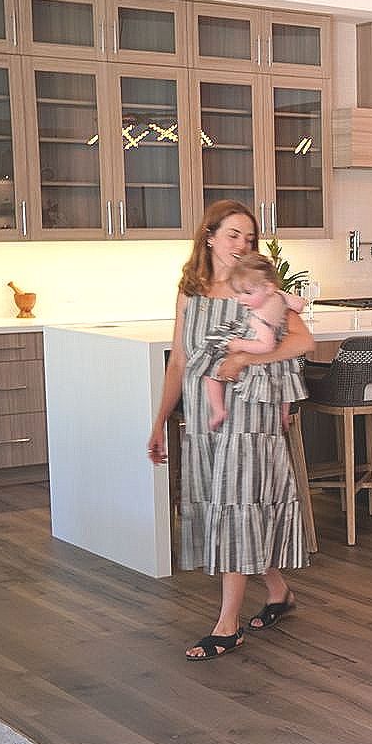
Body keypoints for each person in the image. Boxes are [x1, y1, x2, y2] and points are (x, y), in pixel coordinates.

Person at [146, 199, 314, 659]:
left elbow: (302, 340)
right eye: (233, 235)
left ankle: (227, 625)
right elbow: (179, 362)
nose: (242, 245)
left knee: (237, 505)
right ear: (210, 236)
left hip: (250, 417)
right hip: (204, 416)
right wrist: (160, 421)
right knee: (226, 505)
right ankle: (279, 592)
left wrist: (246, 356)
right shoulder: (190, 292)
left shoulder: (258, 287)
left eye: (249, 237)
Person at [184, 253, 302, 430]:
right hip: (282, 362)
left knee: (211, 366)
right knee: (284, 383)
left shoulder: (260, 316)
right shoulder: (278, 298)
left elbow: (267, 345)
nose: (241, 299)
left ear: (267, 288)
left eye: (247, 292)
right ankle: (283, 415)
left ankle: (218, 410)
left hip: (261, 357)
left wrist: (239, 344)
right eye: (239, 293)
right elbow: (300, 304)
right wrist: (281, 296)